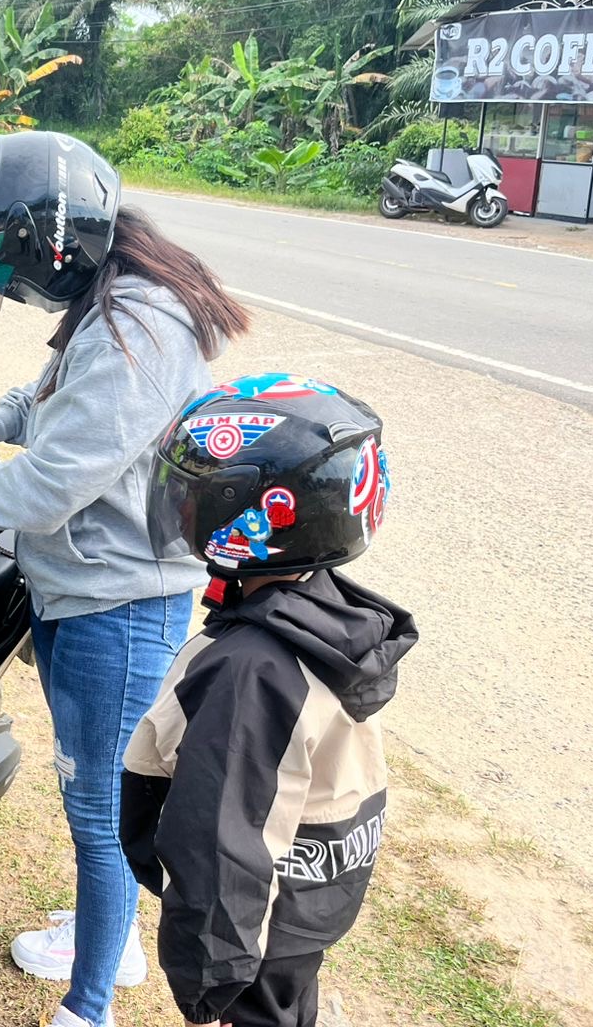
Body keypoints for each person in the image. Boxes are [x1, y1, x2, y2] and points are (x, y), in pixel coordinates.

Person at [0, 131, 251, 1027]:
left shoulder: (140, 328)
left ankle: (89, 1009)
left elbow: (50, 486)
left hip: (119, 605)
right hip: (82, 589)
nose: (12, 286)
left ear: (46, 243)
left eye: (11, 265)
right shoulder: (110, 300)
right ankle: (113, 942)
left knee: (101, 810)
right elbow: (59, 400)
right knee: (92, 790)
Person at [126, 376, 415, 1027]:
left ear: (262, 515)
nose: (180, 509)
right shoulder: (325, 612)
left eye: (195, 496)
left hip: (252, 938)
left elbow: (220, 843)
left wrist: (208, 983)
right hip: (301, 906)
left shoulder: (250, 670)